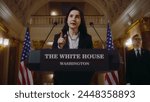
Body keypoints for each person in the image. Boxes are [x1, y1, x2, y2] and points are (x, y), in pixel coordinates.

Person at [52, 7, 94, 85]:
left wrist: (85, 80)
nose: (73, 19)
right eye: (71, 16)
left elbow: (91, 62)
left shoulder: (87, 38)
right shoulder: (58, 37)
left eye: (77, 17)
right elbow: (52, 61)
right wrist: (59, 47)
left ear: (81, 21)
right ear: (67, 20)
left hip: (82, 83)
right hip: (62, 82)